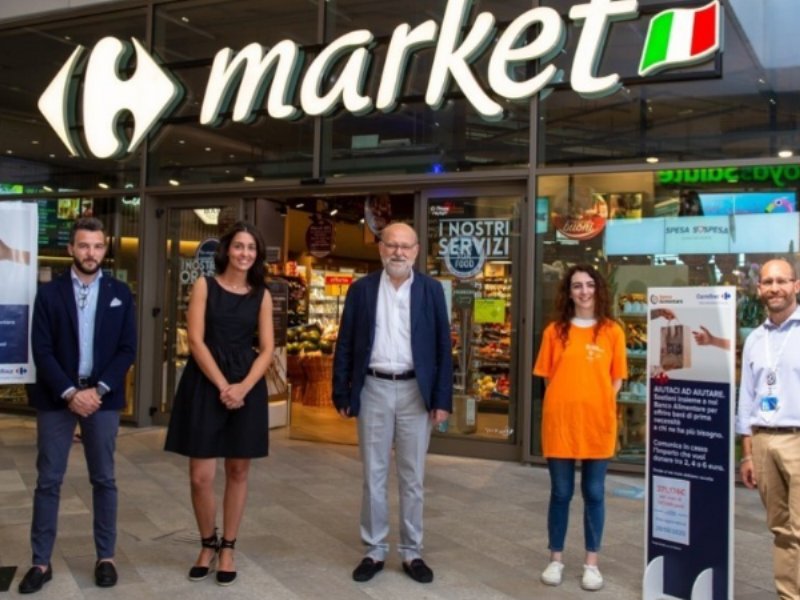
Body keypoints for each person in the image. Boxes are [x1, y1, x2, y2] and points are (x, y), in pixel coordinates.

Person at [18, 217, 137, 594]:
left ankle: (106, 557)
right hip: (57, 397)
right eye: (84, 246)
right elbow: (42, 350)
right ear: (71, 249)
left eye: (97, 246)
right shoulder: (50, 294)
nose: (91, 253)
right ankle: (40, 562)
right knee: (48, 481)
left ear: (106, 249)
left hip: (102, 399)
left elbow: (127, 349)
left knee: (104, 479)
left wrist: (97, 390)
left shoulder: (121, 292)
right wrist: (70, 392)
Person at [333, 221, 452, 585]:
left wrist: (442, 399)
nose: (398, 252)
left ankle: (412, 551)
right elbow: (346, 343)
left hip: (417, 391)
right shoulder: (361, 290)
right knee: (374, 474)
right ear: (380, 248)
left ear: (416, 251)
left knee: (413, 477)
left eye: (405, 246)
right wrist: (341, 391)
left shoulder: (431, 291)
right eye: (391, 245)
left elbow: (444, 349)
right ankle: (374, 549)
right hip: (373, 388)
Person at [164, 221, 273, 587]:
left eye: (252, 248)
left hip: (246, 384)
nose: (245, 253)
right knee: (201, 476)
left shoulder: (262, 294)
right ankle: (206, 542)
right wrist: (224, 385)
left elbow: (268, 348)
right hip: (205, 381)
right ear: (227, 250)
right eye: (239, 246)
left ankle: (228, 547)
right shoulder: (204, 286)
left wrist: (242, 387)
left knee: (239, 471)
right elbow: (195, 341)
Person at [533, 264, 627, 591]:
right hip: (560, 424)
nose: (584, 291)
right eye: (577, 286)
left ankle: (592, 564)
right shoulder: (554, 332)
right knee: (560, 493)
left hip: (598, 424)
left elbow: (616, 378)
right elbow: (547, 377)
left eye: (589, 285)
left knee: (594, 493)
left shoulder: (612, 331)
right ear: (568, 292)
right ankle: (555, 559)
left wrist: (597, 402)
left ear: (598, 290)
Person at [737, 257, 800, 599]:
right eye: (768, 282)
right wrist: (747, 454)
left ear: (796, 285)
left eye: (782, 281)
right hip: (763, 441)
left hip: (798, 439)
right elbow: (746, 397)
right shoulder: (754, 339)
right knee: (780, 530)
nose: (775, 288)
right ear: (759, 288)